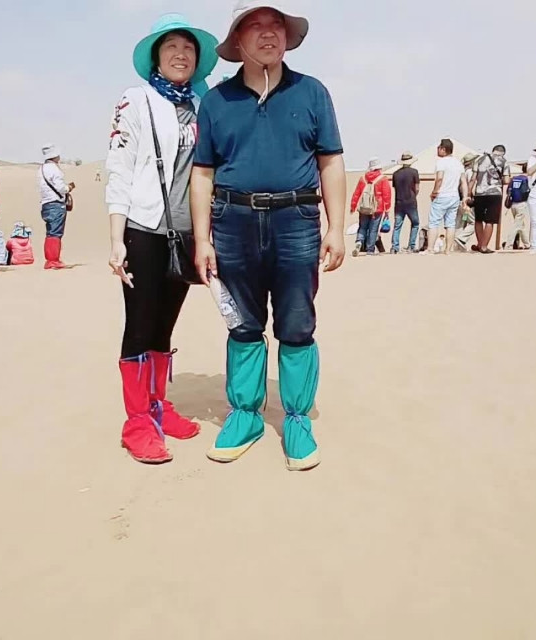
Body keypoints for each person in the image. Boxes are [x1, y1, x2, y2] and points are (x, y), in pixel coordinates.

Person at [191, 1, 346, 471]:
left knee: (297, 323)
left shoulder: (312, 92)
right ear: (238, 41)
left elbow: (330, 162)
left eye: (275, 24)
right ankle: (245, 415)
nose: (267, 33)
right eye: (254, 26)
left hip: (296, 220)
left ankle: (297, 419)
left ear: (287, 36)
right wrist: (202, 239)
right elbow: (202, 173)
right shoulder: (217, 101)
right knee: (242, 322)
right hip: (232, 221)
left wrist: (336, 227)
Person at [106, 14, 219, 464]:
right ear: (156, 56)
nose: (180, 54)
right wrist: (116, 238)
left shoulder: (202, 103)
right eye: (171, 46)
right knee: (140, 323)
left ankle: (157, 405)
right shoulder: (135, 101)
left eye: (188, 48)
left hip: (187, 234)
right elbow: (119, 169)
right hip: (143, 230)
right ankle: (137, 422)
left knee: (165, 325)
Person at [427, 139, 469, 254]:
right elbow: (463, 182)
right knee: (450, 224)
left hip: (442, 195)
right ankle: (448, 250)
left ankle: (430, 248)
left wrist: (434, 192)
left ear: (443, 149)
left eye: (439, 148)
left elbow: (439, 178)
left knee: (434, 222)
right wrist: (465, 197)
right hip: (454, 196)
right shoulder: (458, 163)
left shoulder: (441, 162)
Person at [38, 144, 75, 269]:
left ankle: (50, 259)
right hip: (56, 204)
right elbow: (61, 188)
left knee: (50, 232)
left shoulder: (41, 169)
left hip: (46, 204)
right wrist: (69, 187)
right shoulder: (54, 169)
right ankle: (53, 260)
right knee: (55, 233)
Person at [469, 145, 510, 254]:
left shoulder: (479, 159)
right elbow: (506, 180)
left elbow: (473, 178)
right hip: (495, 193)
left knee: (478, 219)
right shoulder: (504, 162)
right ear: (503, 152)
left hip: (479, 193)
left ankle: (479, 243)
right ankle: (484, 246)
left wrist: (468, 192)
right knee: (490, 221)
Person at [350, 157, 391, 255]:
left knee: (362, 227)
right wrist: (387, 209)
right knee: (373, 229)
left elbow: (357, 193)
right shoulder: (382, 179)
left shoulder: (363, 178)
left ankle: (359, 241)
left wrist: (353, 206)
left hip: (363, 207)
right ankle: (370, 249)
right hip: (377, 208)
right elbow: (387, 195)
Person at [391, 151, 420, 253]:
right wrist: (414, 195)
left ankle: (395, 247)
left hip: (399, 201)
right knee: (415, 223)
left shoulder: (395, 174)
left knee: (397, 226)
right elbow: (417, 188)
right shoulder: (414, 172)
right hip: (411, 201)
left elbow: (395, 187)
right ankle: (411, 245)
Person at [454, 153, 479, 251]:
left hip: (459, 202)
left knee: (460, 223)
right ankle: (461, 238)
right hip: (466, 203)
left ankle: (456, 247)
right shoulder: (470, 173)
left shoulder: (461, 172)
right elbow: (470, 187)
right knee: (473, 222)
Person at [504, 163, 530, 251]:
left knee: (521, 225)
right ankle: (508, 245)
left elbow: (508, 191)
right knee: (516, 225)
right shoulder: (527, 179)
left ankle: (527, 244)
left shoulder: (514, 178)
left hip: (513, 204)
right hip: (522, 204)